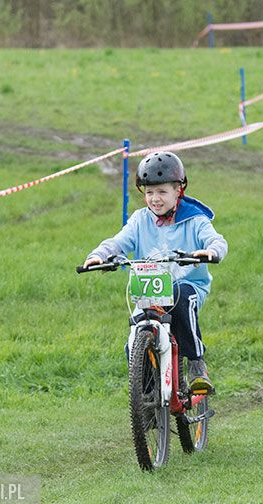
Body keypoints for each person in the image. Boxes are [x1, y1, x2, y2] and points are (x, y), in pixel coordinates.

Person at [83, 151, 227, 394]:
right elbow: (117, 243)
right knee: (134, 342)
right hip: (148, 292)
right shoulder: (140, 220)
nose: (155, 199)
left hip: (188, 286)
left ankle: (195, 364)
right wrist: (99, 256)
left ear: (178, 191)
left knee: (180, 295)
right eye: (149, 193)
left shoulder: (194, 219)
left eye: (162, 192)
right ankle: (148, 400)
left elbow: (216, 240)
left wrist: (210, 251)